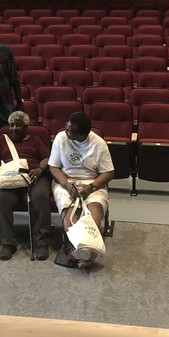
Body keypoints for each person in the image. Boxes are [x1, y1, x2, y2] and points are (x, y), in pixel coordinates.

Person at [48, 111, 114, 268]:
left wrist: (91, 187)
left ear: (83, 134)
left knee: (95, 207)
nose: (66, 130)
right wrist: (66, 185)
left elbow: (109, 172)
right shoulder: (61, 138)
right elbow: (54, 167)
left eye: (70, 130)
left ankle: (81, 250)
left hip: (92, 182)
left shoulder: (98, 143)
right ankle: (84, 249)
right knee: (69, 211)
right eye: (67, 126)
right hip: (66, 180)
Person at [0, 110, 52, 261]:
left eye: (18, 125)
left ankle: (41, 242)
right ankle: (8, 243)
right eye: (11, 125)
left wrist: (40, 169)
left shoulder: (35, 140)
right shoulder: (3, 140)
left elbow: (47, 158)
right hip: (9, 177)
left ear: (26, 127)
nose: (14, 128)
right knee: (0, 198)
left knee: (40, 197)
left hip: (33, 176)